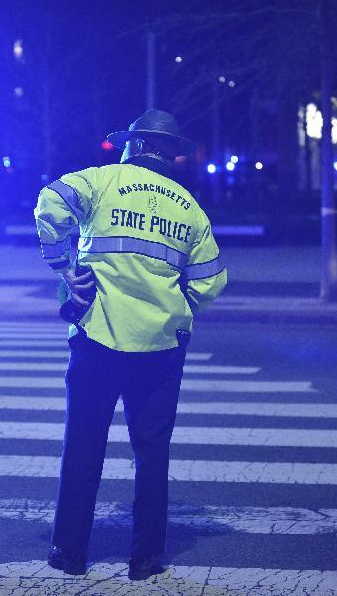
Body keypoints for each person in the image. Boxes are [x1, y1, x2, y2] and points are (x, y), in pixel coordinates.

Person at [34, 109, 227, 581]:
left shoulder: (102, 180)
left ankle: (71, 552)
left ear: (134, 146)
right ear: (171, 156)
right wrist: (174, 307)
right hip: (160, 349)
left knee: (83, 447)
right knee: (152, 453)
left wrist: (63, 267)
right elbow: (212, 282)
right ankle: (145, 559)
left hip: (98, 338)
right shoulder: (190, 208)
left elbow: (49, 204)